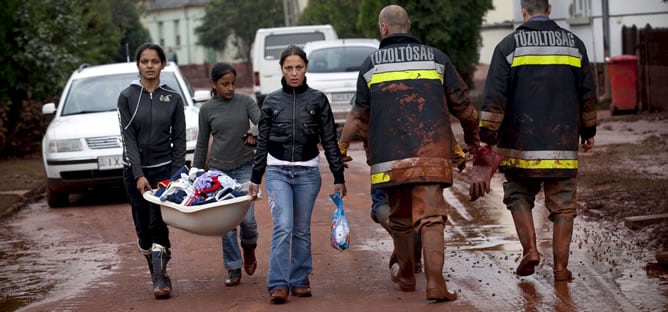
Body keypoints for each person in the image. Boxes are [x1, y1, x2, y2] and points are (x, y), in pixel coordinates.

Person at [351, 5, 480, 302]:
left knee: (401, 219)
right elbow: (463, 106)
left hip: (390, 159)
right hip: (431, 153)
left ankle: (408, 275)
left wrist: (368, 151)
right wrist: (474, 138)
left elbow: (360, 117)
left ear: (383, 28)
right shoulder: (437, 59)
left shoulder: (370, 65)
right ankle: (435, 284)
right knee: (431, 219)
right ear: (408, 25)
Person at [475, 0, 597, 282]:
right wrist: (588, 131)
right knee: (564, 204)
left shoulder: (508, 46)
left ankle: (530, 250)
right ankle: (560, 269)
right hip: (562, 145)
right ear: (550, 9)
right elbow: (587, 95)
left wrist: (488, 138)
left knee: (518, 193)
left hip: (520, 146)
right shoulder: (574, 44)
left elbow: (495, 99)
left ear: (524, 11)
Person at [248, 45, 347, 304]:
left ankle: (300, 279)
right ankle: (278, 284)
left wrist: (339, 176)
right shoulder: (271, 101)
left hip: (308, 174)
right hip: (277, 172)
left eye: (299, 68)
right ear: (281, 69)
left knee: (302, 229)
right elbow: (261, 142)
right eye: (289, 68)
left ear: (306, 68)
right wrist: (255, 177)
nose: (294, 73)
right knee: (283, 226)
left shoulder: (318, 100)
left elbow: (329, 139)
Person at [118, 42, 186, 299]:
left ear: (163, 64)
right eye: (145, 62)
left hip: (163, 171)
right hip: (134, 172)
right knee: (142, 229)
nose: (149, 66)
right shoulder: (127, 97)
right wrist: (138, 174)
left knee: (158, 222)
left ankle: (161, 277)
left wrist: (177, 173)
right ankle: (154, 260)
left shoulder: (173, 98)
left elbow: (179, 139)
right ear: (138, 65)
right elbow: (129, 139)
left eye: (154, 61)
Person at [192, 63, 261, 287]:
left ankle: (249, 247)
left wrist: (253, 131)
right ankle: (233, 267)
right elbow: (202, 142)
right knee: (226, 224)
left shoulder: (246, 102)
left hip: (244, 166)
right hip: (218, 172)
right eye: (224, 84)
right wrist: (195, 170)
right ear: (214, 85)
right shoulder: (207, 109)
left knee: (248, 219)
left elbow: (263, 123)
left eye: (232, 83)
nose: (230, 88)